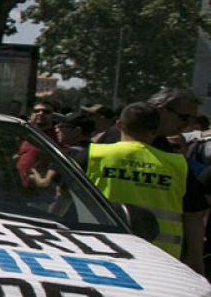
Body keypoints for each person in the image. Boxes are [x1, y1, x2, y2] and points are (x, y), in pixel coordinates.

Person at [85, 102, 192, 266]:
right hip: (161, 256)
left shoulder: (96, 154)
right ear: (156, 131)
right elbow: (195, 214)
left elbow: (63, 196)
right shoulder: (178, 164)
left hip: (100, 246)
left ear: (119, 125)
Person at [147, 88, 209, 273]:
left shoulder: (172, 154)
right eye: (184, 117)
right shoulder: (107, 145)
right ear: (162, 110)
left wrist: (195, 262)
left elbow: (193, 213)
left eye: (192, 119)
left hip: (161, 261)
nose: (188, 125)